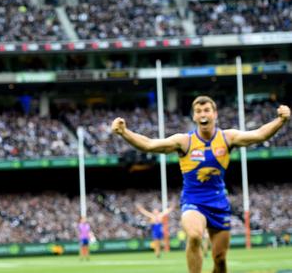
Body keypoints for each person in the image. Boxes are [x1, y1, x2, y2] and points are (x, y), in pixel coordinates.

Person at [111, 96, 290, 273]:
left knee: (220, 260)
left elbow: (259, 135)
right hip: (193, 201)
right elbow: (150, 144)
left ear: (215, 114)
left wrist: (281, 120)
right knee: (195, 236)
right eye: (198, 111)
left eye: (206, 110)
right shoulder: (184, 141)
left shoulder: (227, 137)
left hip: (219, 202)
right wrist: (125, 132)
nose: (202, 114)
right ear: (194, 116)